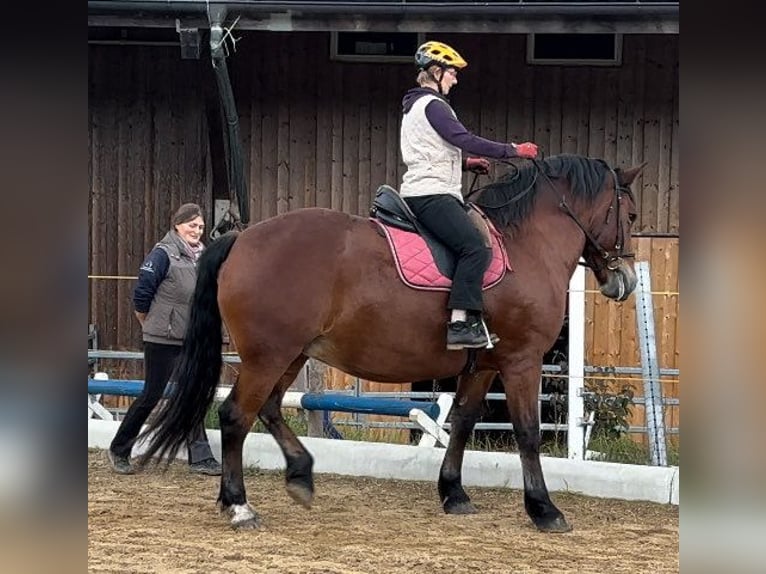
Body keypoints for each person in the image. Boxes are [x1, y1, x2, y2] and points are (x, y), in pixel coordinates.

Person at [399, 40, 540, 350]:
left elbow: (428, 152)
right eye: (452, 72)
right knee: (475, 247)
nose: (455, 78)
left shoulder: (414, 107)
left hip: (425, 189)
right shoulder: (433, 105)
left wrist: (465, 163)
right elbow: (462, 137)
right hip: (432, 194)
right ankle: (461, 323)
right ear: (436, 72)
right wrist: (513, 150)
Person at [108, 203, 222, 475]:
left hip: (190, 338)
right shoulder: (162, 254)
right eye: (192, 225)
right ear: (177, 225)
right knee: (152, 395)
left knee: (192, 395)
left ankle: (201, 457)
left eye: (201, 227)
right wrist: (149, 323)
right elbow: (142, 294)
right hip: (162, 338)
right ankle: (119, 448)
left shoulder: (202, 257)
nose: (197, 231)